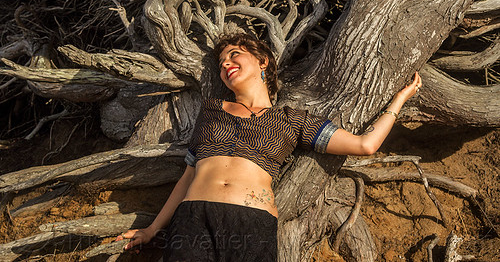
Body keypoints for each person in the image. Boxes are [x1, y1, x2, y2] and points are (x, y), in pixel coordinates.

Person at [116, 33, 422, 261]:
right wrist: (153, 229)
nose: (225, 63)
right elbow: (187, 177)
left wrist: (399, 100)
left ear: (262, 62)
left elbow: (365, 145)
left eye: (234, 54)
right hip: (194, 218)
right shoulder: (211, 110)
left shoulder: (291, 121)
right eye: (222, 62)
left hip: (252, 223)